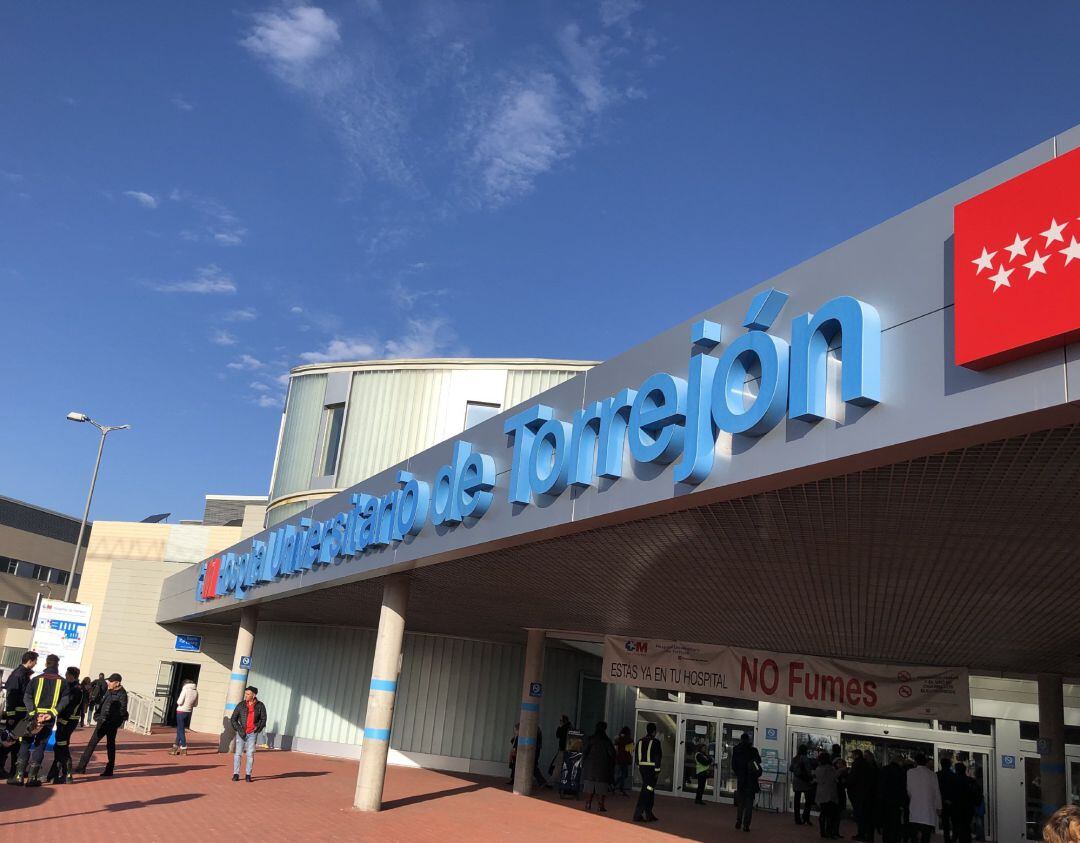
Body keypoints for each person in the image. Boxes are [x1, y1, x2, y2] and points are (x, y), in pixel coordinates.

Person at [7, 653, 68, 786]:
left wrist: (34, 713)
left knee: (25, 743)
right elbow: (65, 700)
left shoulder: (35, 679)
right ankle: (32, 779)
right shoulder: (63, 682)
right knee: (40, 745)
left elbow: (27, 697)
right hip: (48, 718)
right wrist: (52, 713)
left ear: (46, 664)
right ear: (57, 665)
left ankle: (18, 777)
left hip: (31, 717)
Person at [74, 672, 128, 776]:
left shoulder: (122, 694)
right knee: (92, 744)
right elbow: (103, 703)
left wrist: (114, 723)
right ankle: (81, 767)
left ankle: (109, 769)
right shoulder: (109, 691)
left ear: (117, 683)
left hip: (111, 724)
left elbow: (122, 711)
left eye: (111, 681)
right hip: (102, 722)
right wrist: (97, 715)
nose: (109, 683)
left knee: (110, 746)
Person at [1, 651, 37, 777]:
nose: (35, 664)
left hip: (21, 716)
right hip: (16, 716)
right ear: (30, 661)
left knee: (17, 743)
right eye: (35, 661)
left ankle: (15, 770)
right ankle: (1, 769)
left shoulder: (23, 674)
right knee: (9, 742)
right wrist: (10, 716)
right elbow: (11, 695)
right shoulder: (19, 674)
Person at [47, 666, 84, 784]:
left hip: (67, 721)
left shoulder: (75, 689)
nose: (65, 676)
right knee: (60, 746)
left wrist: (63, 720)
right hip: (68, 721)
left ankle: (67, 774)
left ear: (71, 676)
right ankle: (53, 774)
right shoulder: (74, 687)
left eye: (67, 674)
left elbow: (70, 707)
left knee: (61, 746)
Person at [229, 685, 266, 782]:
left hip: (252, 734)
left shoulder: (260, 705)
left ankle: (248, 775)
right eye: (245, 693)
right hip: (241, 733)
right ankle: (236, 774)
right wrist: (239, 729)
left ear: (253, 695)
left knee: (250, 754)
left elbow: (263, 719)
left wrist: (257, 728)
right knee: (238, 754)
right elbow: (233, 719)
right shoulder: (241, 705)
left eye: (248, 694)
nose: (245, 695)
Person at [906, 752, 941, 843]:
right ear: (925, 762)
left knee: (914, 837)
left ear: (915, 762)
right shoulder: (933, 775)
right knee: (926, 837)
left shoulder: (910, 772)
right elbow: (937, 792)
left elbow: (909, 790)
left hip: (915, 810)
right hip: (928, 812)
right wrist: (939, 807)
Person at [580, 721, 615, 812]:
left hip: (590, 767)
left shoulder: (590, 738)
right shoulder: (607, 740)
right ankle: (601, 806)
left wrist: (583, 763)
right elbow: (612, 754)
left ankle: (588, 804)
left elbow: (584, 751)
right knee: (601, 787)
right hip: (603, 767)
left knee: (590, 786)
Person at [847, 748, 879, 842]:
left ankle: (862, 834)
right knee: (864, 816)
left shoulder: (857, 764)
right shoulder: (871, 767)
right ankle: (866, 835)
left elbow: (853, 779)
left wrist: (847, 783)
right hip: (866, 795)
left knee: (860, 815)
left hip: (858, 794)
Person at [732, 732, 762, 831]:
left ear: (741, 739)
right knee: (749, 804)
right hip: (751, 781)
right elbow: (758, 762)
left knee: (741, 803)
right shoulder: (753, 751)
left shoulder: (736, 750)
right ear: (749, 740)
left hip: (741, 780)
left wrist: (739, 774)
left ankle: (738, 821)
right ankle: (746, 825)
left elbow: (734, 765)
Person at [633, 722, 661, 823]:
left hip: (643, 769)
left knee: (649, 789)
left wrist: (639, 766)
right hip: (652, 770)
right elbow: (658, 757)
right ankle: (638, 814)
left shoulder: (640, 741)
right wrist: (657, 770)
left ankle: (649, 813)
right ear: (654, 732)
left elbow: (636, 755)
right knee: (647, 790)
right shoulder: (656, 742)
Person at [815, 749, 840, 839]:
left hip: (820, 793)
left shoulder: (818, 769)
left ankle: (822, 831)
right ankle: (829, 832)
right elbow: (834, 779)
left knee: (823, 813)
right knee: (830, 815)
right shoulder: (830, 769)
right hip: (829, 794)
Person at [170, 678, 199, 755]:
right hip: (188, 712)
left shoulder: (185, 689)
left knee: (180, 730)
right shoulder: (196, 691)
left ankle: (184, 747)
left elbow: (179, 702)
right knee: (180, 729)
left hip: (181, 711)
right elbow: (195, 704)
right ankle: (175, 747)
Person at [791, 743, 817, 825]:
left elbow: (791, 768)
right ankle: (806, 817)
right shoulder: (805, 758)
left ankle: (797, 818)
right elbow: (809, 771)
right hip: (805, 782)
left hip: (796, 781)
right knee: (808, 801)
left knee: (797, 801)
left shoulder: (795, 758)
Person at [950, 763, 977, 843]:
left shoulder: (953, 780)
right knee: (966, 828)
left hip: (956, 808)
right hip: (968, 809)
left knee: (956, 827)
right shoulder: (971, 781)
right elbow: (976, 794)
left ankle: (955, 839)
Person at [546, 714, 571, 787]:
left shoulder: (564, 728)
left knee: (557, 766)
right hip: (566, 750)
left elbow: (558, 735)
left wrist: (560, 727)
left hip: (563, 750)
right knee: (559, 766)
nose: (560, 722)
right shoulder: (570, 727)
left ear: (564, 721)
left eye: (561, 720)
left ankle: (551, 782)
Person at [938, 756, 958, 842]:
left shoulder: (937, 775)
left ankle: (947, 840)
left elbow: (936, 790)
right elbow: (956, 790)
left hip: (942, 802)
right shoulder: (954, 776)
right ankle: (953, 839)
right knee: (954, 823)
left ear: (941, 765)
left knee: (945, 824)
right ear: (949, 765)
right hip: (952, 803)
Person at [693, 737, 716, 805]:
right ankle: (698, 800)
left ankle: (699, 799)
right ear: (700, 748)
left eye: (705, 748)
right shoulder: (698, 755)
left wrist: (710, 760)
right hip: (701, 772)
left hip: (704, 772)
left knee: (702, 787)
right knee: (700, 787)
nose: (704, 749)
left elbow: (708, 760)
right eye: (703, 748)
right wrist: (710, 760)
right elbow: (705, 762)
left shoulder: (703, 754)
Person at [613, 726, 633, 795]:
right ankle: (617, 786)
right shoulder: (629, 740)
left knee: (621, 774)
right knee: (624, 774)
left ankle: (616, 786)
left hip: (619, 759)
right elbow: (630, 750)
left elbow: (616, 749)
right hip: (625, 759)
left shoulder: (618, 739)